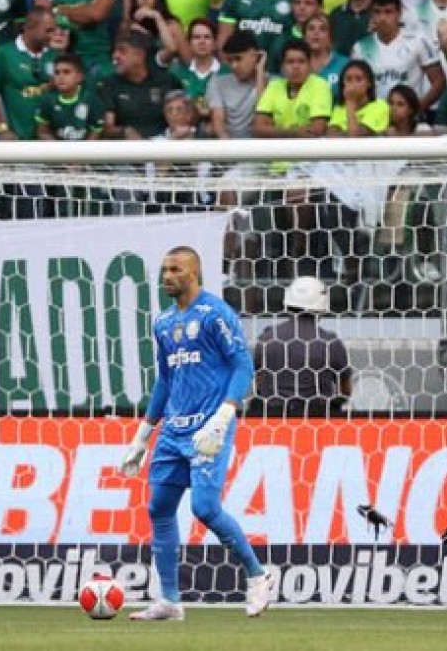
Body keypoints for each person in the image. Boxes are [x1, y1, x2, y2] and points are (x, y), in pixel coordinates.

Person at [120, 245, 272, 622]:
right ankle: (170, 600)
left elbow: (243, 366)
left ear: (194, 273)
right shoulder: (163, 322)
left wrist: (225, 414)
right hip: (173, 429)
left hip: (209, 426)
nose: (166, 276)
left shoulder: (215, 314)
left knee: (204, 508)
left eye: (175, 269)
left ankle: (258, 576)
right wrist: (143, 434)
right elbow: (166, 379)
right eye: (164, 269)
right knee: (159, 508)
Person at [252, 275, 351, 416]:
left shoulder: (267, 338)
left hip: (272, 419)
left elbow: (257, 381)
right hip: (318, 420)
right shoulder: (330, 342)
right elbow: (345, 390)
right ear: (322, 306)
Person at [351, 0, 445, 110]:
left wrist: (417, 109)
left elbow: (439, 81)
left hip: (410, 122)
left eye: (388, 12)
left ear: (399, 13)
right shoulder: (360, 48)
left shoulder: (418, 42)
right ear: (371, 14)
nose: (382, 18)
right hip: (373, 120)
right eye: (377, 12)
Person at [0, 6, 58, 141]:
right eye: (48, 31)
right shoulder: (5, 54)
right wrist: (2, 128)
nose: (53, 35)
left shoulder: (55, 54)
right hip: (18, 138)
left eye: (54, 30)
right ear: (30, 27)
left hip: (51, 138)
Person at [208, 29, 268, 140]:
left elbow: (262, 117)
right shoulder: (217, 83)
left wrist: (260, 72)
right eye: (230, 60)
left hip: (261, 149)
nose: (233, 66)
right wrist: (230, 152)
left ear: (255, 56)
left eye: (238, 59)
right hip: (228, 149)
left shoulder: (272, 82)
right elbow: (218, 124)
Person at [303, 14, 348, 96]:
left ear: (330, 36)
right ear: (304, 36)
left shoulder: (345, 65)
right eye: (311, 29)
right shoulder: (296, 64)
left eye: (322, 29)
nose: (316, 33)